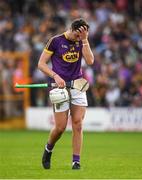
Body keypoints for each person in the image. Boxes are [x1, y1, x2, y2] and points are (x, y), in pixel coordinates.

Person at [38, 18, 94, 170]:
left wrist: (85, 40)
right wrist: (55, 76)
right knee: (60, 128)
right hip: (60, 88)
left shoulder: (82, 41)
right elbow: (41, 64)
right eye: (78, 35)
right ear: (72, 29)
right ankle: (48, 148)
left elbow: (90, 61)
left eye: (82, 35)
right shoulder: (55, 41)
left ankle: (76, 161)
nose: (79, 38)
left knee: (78, 124)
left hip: (77, 85)